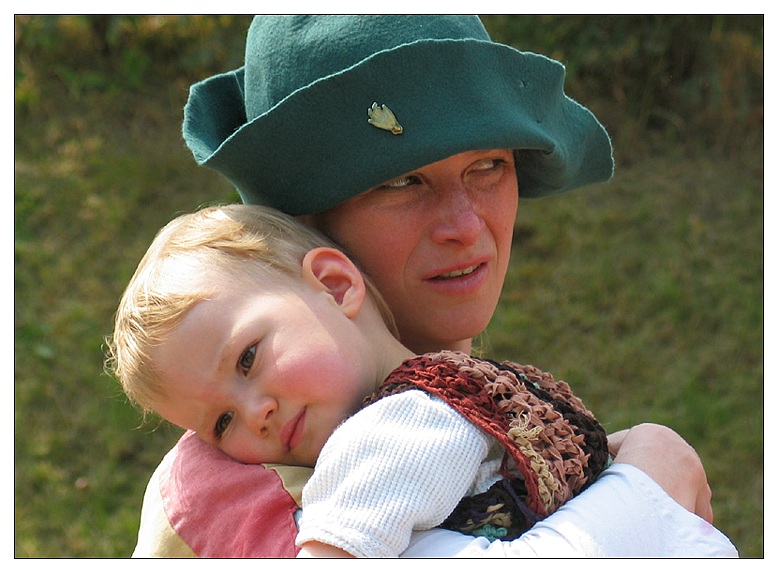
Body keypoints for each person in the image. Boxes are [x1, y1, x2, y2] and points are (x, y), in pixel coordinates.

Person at [128, 15, 737, 557]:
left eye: (488, 167)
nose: (466, 227)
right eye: (402, 183)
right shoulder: (224, 498)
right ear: (311, 228)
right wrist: (641, 493)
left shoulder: (478, 414)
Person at [108, 204, 619, 558]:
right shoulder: (424, 417)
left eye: (247, 360)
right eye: (221, 422)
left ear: (334, 286)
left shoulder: (406, 420)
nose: (254, 414)